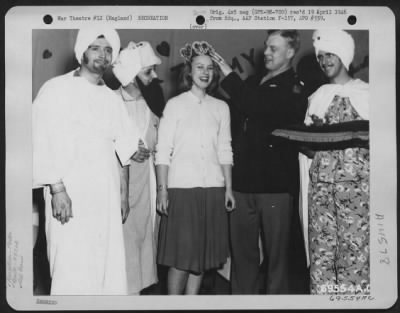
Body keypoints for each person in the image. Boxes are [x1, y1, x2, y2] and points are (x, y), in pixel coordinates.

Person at [32, 27, 142, 295]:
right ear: (81, 51)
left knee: (106, 271)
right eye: (95, 48)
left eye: (108, 50)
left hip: (104, 199)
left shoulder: (111, 99)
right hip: (69, 195)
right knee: (70, 270)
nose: (102, 55)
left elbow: (125, 149)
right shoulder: (56, 89)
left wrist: (123, 195)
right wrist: (57, 190)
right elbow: (39, 140)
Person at [212, 30, 307, 294]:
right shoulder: (253, 81)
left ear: (290, 52)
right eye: (266, 47)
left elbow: (257, 105)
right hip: (242, 183)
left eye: (274, 49)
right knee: (242, 259)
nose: (266, 52)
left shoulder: (294, 87)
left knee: (277, 262)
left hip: (275, 186)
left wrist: (227, 74)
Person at [155, 41, 235, 295]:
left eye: (210, 68)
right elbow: (162, 152)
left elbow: (225, 150)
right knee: (181, 259)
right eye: (199, 67)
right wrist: (162, 190)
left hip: (213, 189)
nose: (205, 72)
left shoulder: (221, 107)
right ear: (190, 71)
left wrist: (229, 189)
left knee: (200, 260)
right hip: (182, 190)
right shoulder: (175, 105)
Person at [299, 29, 370, 295]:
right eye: (321, 56)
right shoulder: (317, 97)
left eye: (331, 54)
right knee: (321, 258)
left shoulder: (368, 94)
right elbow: (308, 151)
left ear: (344, 55)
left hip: (357, 191)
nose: (325, 60)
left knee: (355, 257)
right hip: (321, 190)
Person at [112, 41, 165, 295]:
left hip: (146, 187)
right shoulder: (109, 102)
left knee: (143, 244)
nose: (154, 76)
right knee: (119, 250)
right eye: (148, 71)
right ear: (132, 75)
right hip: (118, 188)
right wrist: (125, 149)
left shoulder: (152, 105)